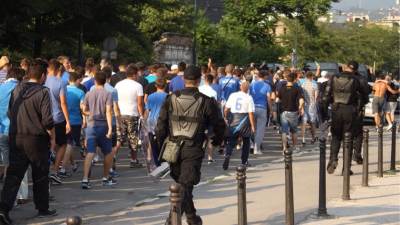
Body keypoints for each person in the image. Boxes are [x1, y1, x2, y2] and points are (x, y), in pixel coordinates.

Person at [156, 65, 225, 225]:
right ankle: (187, 219)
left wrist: (160, 146)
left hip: (172, 148)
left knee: (183, 185)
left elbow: (160, 126)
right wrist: (217, 141)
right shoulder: (206, 101)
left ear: (183, 79)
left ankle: (176, 219)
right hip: (193, 148)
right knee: (185, 185)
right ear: (199, 80)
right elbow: (219, 124)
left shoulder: (170, 98)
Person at [0, 59, 57, 225]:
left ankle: (4, 209)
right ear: (43, 75)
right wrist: (51, 136)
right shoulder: (43, 92)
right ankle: (42, 208)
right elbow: (47, 120)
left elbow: (11, 113)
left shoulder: (17, 89)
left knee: (13, 175)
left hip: (16, 136)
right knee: (40, 174)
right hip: (36, 139)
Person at [322, 61, 366, 174]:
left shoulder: (333, 77)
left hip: (336, 109)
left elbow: (326, 96)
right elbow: (364, 96)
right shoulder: (357, 80)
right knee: (348, 139)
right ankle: (346, 168)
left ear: (345, 67)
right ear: (356, 70)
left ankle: (333, 159)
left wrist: (324, 113)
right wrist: (358, 108)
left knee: (336, 136)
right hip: (350, 110)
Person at [81, 71, 115, 189]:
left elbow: (84, 110)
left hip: (91, 126)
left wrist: (91, 113)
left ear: (95, 81)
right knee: (108, 153)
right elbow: (109, 112)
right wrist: (110, 128)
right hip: (103, 126)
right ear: (105, 81)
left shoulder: (89, 94)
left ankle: (85, 179)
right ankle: (105, 178)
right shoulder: (108, 94)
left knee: (90, 152)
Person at [45, 59, 71, 184]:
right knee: (62, 144)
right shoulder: (61, 82)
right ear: (56, 69)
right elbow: (63, 103)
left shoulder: (42, 81)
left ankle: (46, 170)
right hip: (58, 117)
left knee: (48, 144)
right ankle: (55, 171)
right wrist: (68, 121)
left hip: (44, 118)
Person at [115, 64, 144, 168]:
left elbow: (115, 100)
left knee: (119, 138)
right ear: (135, 74)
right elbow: (140, 103)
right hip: (132, 114)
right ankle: (133, 160)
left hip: (120, 114)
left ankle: (112, 156)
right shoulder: (138, 86)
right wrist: (142, 115)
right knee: (133, 138)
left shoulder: (118, 85)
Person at [223, 81, 256, 170]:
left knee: (231, 140)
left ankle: (228, 154)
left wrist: (226, 118)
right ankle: (244, 161)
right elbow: (251, 113)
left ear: (240, 87)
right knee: (246, 141)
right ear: (248, 89)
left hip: (233, 119)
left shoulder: (233, 95)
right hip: (244, 120)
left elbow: (226, 109)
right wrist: (253, 126)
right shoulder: (249, 98)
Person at [60, 72, 86, 176]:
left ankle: (73, 163)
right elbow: (83, 108)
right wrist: (85, 119)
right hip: (75, 121)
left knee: (66, 143)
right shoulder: (80, 92)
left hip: (62, 119)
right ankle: (63, 169)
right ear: (78, 80)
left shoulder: (64, 90)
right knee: (71, 144)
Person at [276, 72, 304, 153]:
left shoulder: (282, 88)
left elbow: (277, 99)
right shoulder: (297, 88)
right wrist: (300, 107)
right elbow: (301, 100)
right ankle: (295, 147)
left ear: (286, 79)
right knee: (294, 131)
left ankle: (284, 148)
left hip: (284, 112)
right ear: (294, 79)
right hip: (293, 111)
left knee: (284, 131)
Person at [145, 78, 168, 167]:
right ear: (165, 85)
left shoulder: (150, 96)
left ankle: (156, 161)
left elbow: (147, 110)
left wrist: (144, 121)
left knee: (153, 141)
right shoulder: (168, 96)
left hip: (152, 121)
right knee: (164, 141)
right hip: (164, 121)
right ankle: (164, 161)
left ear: (155, 86)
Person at [249, 70, 272, 155]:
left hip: (252, 108)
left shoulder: (252, 85)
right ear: (265, 76)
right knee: (260, 129)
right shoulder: (267, 85)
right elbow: (269, 98)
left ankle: (251, 144)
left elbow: (249, 95)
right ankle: (257, 148)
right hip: (262, 108)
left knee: (252, 127)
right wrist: (270, 109)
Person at [352, 68, 371, 165]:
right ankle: (357, 155)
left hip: (342, 109)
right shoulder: (362, 79)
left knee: (346, 134)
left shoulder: (339, 77)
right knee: (358, 133)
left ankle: (339, 157)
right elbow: (367, 93)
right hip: (357, 109)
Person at [199, 74, 218, 163]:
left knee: (199, 136)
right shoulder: (213, 92)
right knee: (210, 137)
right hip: (210, 116)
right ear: (212, 80)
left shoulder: (199, 89)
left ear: (205, 79)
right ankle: (210, 158)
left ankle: (199, 154)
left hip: (199, 115)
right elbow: (216, 105)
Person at [300, 71, 318, 145]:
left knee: (303, 122)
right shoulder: (314, 85)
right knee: (312, 122)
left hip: (304, 104)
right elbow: (316, 97)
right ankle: (313, 137)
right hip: (312, 105)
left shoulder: (302, 85)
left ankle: (303, 139)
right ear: (312, 76)